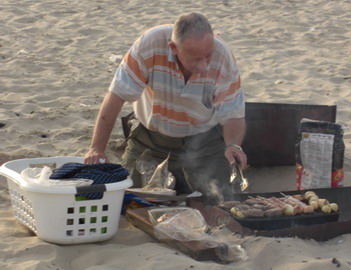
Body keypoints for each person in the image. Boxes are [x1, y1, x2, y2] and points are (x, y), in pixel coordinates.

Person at [85, 12, 247, 197]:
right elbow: (116, 96)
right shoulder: (149, 44)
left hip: (206, 141)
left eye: (208, 56)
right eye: (195, 59)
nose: (204, 66)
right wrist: (97, 148)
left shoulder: (223, 55)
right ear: (173, 48)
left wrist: (234, 145)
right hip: (152, 139)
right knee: (129, 197)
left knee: (222, 198)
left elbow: (233, 113)